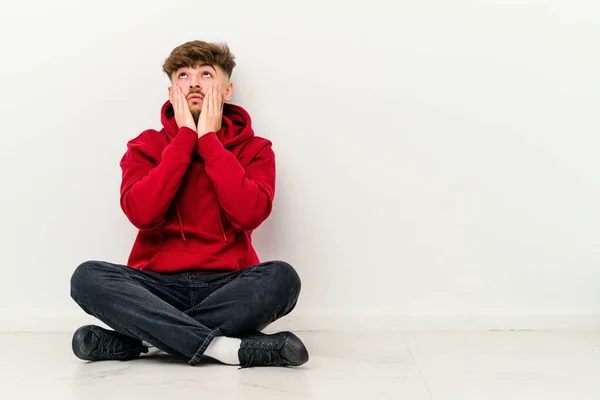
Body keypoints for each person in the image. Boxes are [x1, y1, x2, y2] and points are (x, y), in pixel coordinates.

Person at [69, 40, 309, 368]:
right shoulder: (145, 146)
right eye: (183, 75)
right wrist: (184, 138)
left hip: (227, 284)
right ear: (171, 93)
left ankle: (143, 339)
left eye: (206, 74)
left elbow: (248, 214)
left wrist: (208, 140)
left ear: (227, 91)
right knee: (87, 277)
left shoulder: (256, 148)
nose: (194, 82)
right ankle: (226, 349)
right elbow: (142, 213)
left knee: (282, 278)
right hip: (156, 286)